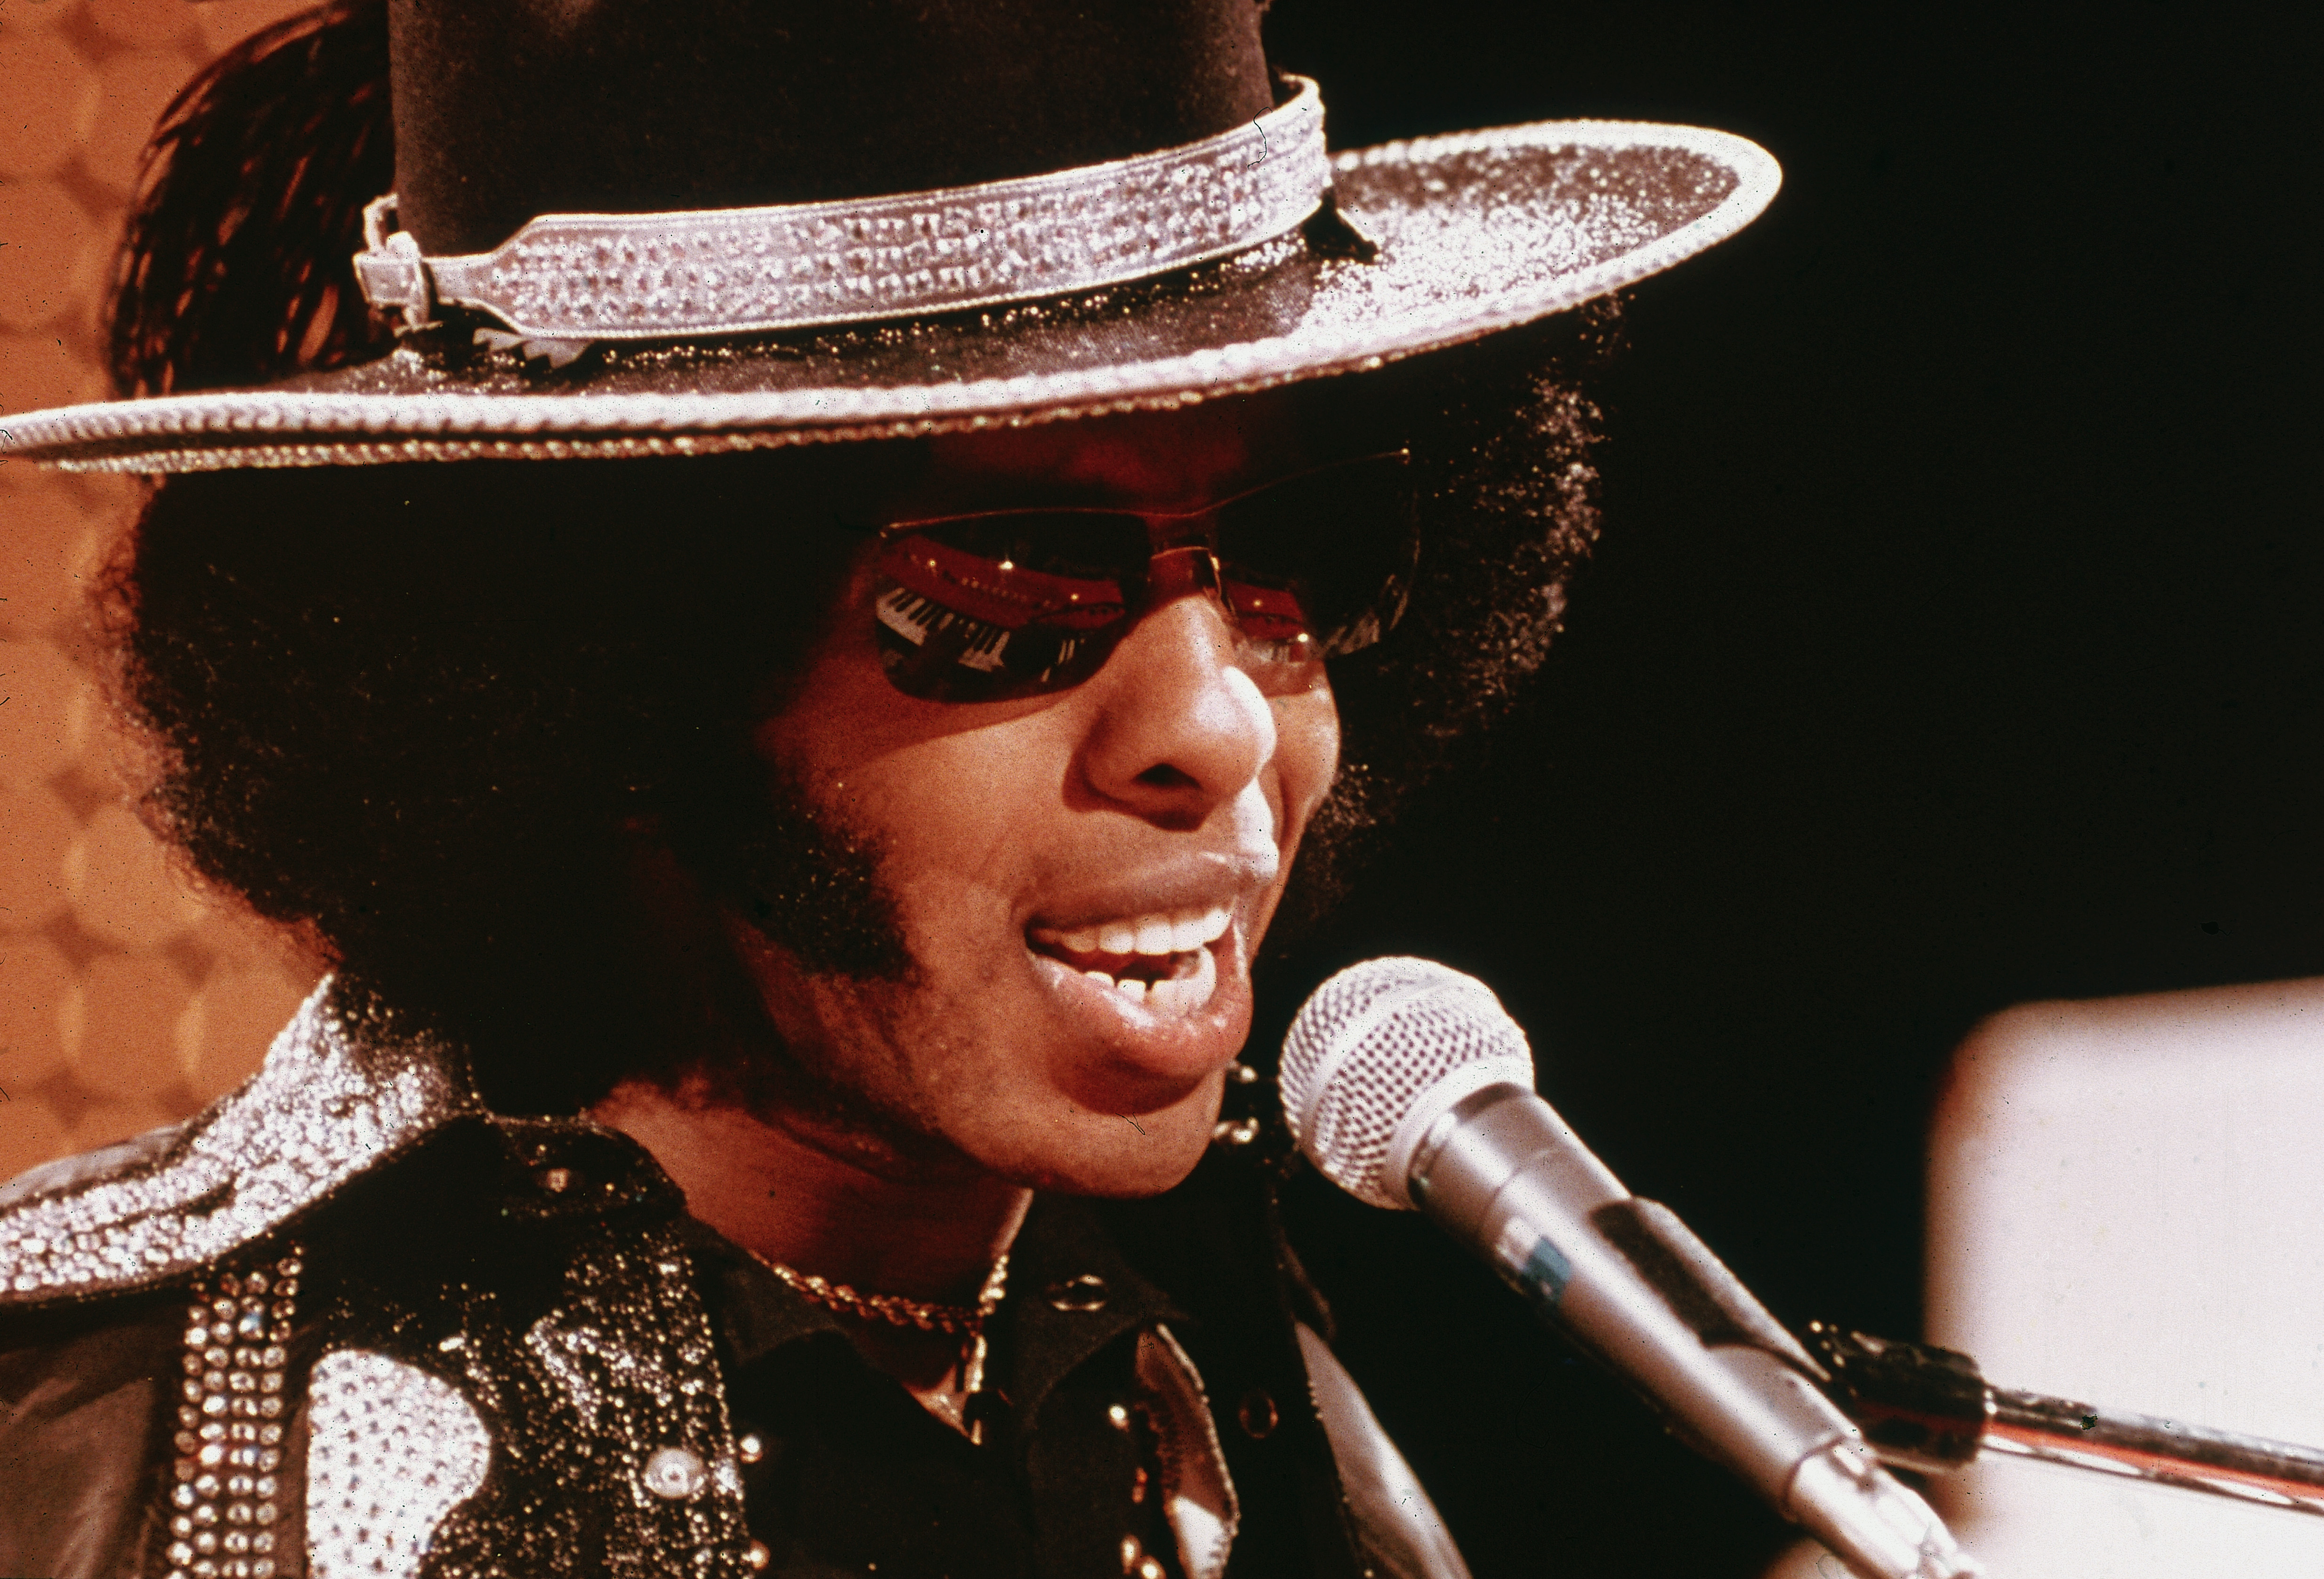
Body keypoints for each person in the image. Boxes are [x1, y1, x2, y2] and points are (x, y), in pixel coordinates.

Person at [0, 2, 1776, 1576]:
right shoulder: (112, 1469)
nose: (1221, 723)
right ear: (611, 669)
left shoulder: (1247, 1404)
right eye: (1014, 582)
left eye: (1299, 549)